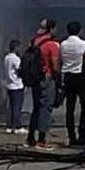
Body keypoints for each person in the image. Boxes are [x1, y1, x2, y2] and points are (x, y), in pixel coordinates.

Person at [27, 19, 60, 150]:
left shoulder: (34, 41)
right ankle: (41, 139)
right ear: (51, 29)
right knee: (45, 108)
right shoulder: (52, 44)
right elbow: (55, 64)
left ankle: (30, 138)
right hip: (46, 78)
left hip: (35, 79)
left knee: (36, 108)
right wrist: (57, 77)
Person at [59, 21, 85, 146]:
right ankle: (82, 134)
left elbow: (60, 60)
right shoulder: (84, 44)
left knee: (69, 108)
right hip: (81, 76)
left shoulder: (63, 44)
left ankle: (72, 136)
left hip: (68, 76)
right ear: (80, 30)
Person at [3, 40, 26, 135]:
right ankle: (17, 126)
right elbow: (19, 69)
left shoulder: (6, 57)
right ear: (16, 47)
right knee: (17, 107)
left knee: (12, 106)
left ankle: (10, 125)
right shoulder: (15, 59)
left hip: (9, 85)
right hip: (17, 85)